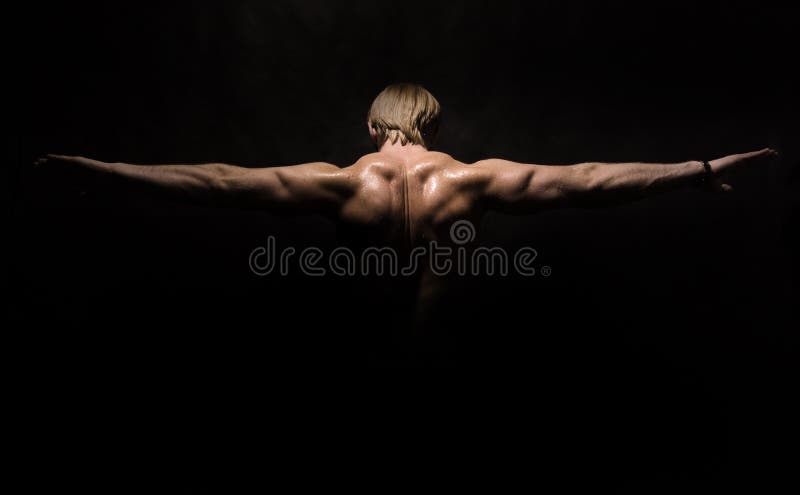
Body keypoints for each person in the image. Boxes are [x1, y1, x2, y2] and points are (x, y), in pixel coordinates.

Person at [34, 82, 779, 361]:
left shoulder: (337, 183)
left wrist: (98, 170)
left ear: (373, 126)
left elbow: (218, 181)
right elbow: (587, 180)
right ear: (428, 123)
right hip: (446, 354)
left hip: (353, 352)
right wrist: (701, 169)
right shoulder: (472, 178)